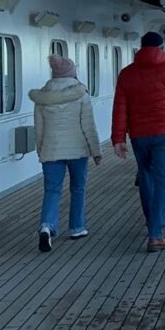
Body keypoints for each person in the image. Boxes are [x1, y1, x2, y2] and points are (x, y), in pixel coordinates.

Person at [111, 32, 165, 252]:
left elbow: (119, 107)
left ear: (141, 48)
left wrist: (118, 138)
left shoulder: (127, 74)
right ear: (161, 48)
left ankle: (153, 224)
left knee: (146, 178)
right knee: (163, 181)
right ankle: (156, 234)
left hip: (139, 136)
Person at [29, 55, 102, 252]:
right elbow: (88, 126)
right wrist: (96, 151)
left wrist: (40, 150)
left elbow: (39, 128)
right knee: (78, 188)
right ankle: (77, 228)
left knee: (52, 190)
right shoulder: (81, 94)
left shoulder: (42, 97)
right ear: (72, 72)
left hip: (51, 150)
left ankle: (47, 226)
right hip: (77, 149)